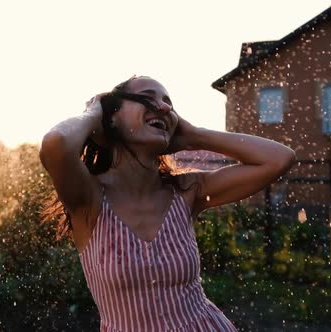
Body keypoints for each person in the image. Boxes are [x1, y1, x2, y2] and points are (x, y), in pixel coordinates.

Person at [40, 76, 296, 331]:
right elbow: (56, 144)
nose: (163, 107)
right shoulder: (89, 200)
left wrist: (195, 135)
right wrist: (94, 112)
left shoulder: (187, 191)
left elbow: (279, 159)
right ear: (112, 117)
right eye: (148, 98)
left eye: (168, 104)